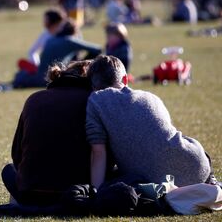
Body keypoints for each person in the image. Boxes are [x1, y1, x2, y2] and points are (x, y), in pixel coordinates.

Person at [86, 55, 212, 189]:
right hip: (197, 166)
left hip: (158, 182)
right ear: (125, 79)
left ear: (93, 86)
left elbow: (98, 152)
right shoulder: (151, 97)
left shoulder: (96, 101)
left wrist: (96, 191)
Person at [3, 60, 93, 206]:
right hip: (78, 193)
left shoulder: (34, 99)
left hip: (31, 193)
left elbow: (17, 154)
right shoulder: (92, 100)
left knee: (8, 171)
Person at [13, 20, 101, 88]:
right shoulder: (70, 40)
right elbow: (97, 49)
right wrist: (81, 63)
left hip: (39, 76)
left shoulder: (51, 40)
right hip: (52, 78)